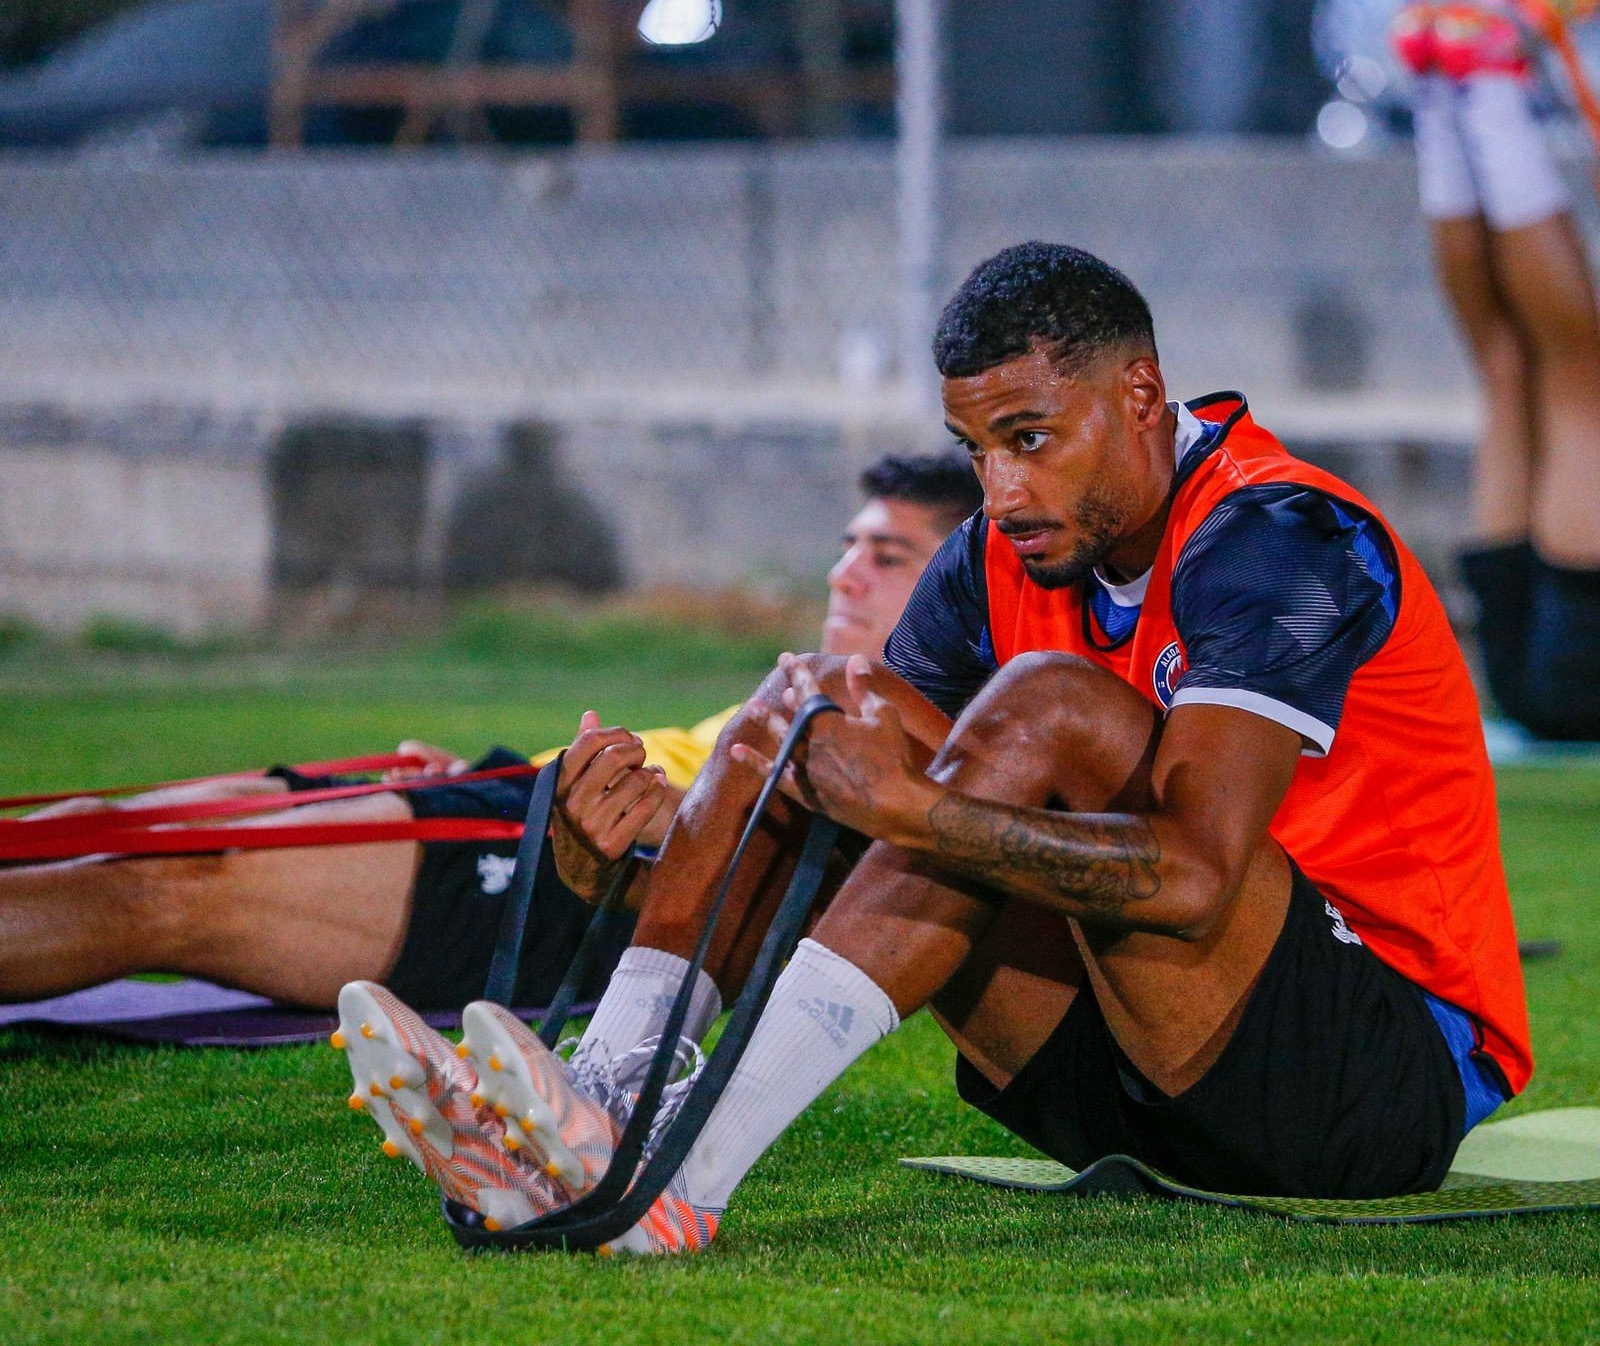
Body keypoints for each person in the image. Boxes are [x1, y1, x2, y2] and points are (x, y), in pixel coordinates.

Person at [338, 241, 1530, 1251]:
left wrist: (912, 811)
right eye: (976, 449)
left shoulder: (1281, 535)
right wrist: (634, 854)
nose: (999, 491)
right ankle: (602, 1104)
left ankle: (679, 1183)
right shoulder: (999, 556)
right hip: (1127, 1078)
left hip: (1371, 1088)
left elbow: (1196, 876)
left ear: (1138, 395)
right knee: (808, 700)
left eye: (1029, 438)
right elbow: (833, 823)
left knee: (1047, 704)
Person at [0, 453, 980, 1017]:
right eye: (847, 547)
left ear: (950, 585)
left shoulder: (919, 736)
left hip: (565, 886)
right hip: (507, 801)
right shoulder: (807, 687)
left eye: (886, 555)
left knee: (166, 888)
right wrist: (486, 774)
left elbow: (816, 881)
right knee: (107, 823)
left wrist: (653, 818)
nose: (843, 574)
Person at [1393, 0, 1600, 738]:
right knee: (1510, 367)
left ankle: (1475, 87)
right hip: (1524, 683)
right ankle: (1446, 95)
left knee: (1567, 380)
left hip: (1573, 681)